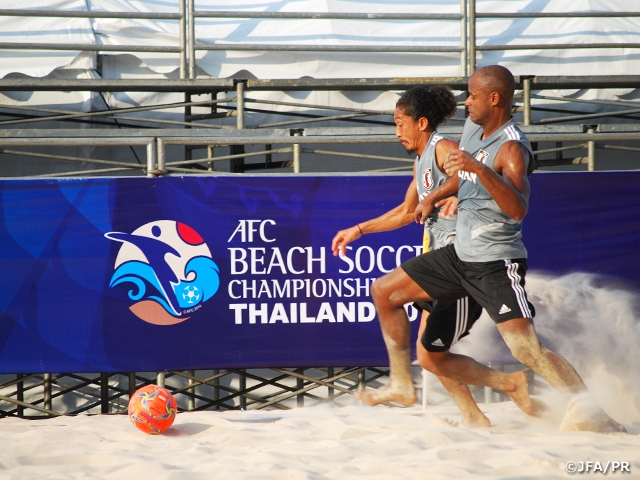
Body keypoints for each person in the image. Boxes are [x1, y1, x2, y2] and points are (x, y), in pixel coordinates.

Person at [357, 65, 625, 432]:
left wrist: (478, 171)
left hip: (495, 262)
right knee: (384, 291)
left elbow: (518, 207)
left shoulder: (512, 147)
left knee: (525, 350)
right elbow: (459, 174)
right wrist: (435, 196)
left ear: (494, 98)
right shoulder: (472, 130)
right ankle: (403, 384)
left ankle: (595, 413)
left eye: (472, 96)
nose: (466, 103)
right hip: (458, 255)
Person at [331, 85, 492, 428]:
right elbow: (405, 213)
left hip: (459, 264)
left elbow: (474, 175)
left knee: (385, 293)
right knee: (430, 356)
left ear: (421, 123)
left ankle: (510, 384)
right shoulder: (422, 160)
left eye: (400, 123)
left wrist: (453, 196)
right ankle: (473, 415)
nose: (396, 131)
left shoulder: (442, 147)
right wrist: (358, 230)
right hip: (440, 262)